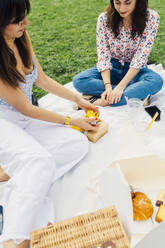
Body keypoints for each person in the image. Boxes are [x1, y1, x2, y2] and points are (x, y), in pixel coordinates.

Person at [0, 0, 99, 247]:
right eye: (17, 20)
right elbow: (26, 108)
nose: (26, 23)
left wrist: (78, 99)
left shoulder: (21, 39)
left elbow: (41, 79)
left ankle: (12, 174)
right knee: (39, 159)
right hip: (5, 120)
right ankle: (14, 239)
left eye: (24, 16)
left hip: (25, 117)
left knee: (76, 144)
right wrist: (72, 119)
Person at [73, 0, 163, 107]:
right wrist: (108, 87)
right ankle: (133, 92)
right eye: (117, 2)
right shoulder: (104, 19)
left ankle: (98, 101)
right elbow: (103, 56)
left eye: (128, 3)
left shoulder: (151, 18)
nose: (122, 8)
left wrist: (121, 86)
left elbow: (140, 58)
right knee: (79, 80)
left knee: (157, 81)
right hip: (113, 68)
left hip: (136, 71)